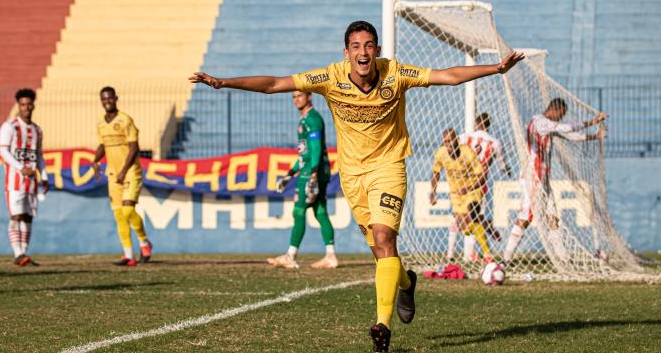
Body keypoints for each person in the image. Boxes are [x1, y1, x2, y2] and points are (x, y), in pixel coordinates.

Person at [190, 20, 524, 352]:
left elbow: (448, 76)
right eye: (356, 46)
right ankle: (407, 283)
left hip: (389, 167)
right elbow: (274, 83)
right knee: (381, 254)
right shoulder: (330, 77)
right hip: (352, 175)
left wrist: (497, 68)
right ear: (346, 53)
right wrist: (223, 83)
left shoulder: (396, 74)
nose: (362, 52)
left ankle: (382, 327)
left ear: (376, 51)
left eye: (368, 46)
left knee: (384, 237)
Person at [503, 98, 606, 265]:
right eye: (561, 114)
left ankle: (564, 258)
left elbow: (570, 135)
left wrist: (594, 136)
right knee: (527, 216)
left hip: (543, 178)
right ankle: (506, 257)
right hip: (533, 177)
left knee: (552, 216)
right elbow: (565, 128)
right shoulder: (540, 122)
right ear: (554, 109)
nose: (561, 118)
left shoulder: (548, 126)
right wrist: (592, 122)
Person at [267, 90, 338, 269]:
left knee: (298, 211)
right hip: (313, 170)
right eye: (294, 96)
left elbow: (315, 151)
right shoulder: (305, 120)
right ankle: (331, 256)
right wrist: (289, 175)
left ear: (309, 97)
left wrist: (313, 174)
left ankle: (290, 256)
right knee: (320, 211)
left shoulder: (312, 119)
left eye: (300, 95)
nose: (296, 99)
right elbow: (304, 156)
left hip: (312, 173)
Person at [92, 86, 152, 266]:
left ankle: (144, 241)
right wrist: (95, 161)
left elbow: (134, 147)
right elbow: (103, 145)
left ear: (116, 98)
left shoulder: (125, 120)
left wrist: (124, 171)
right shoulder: (100, 123)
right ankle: (128, 255)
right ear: (101, 101)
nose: (107, 101)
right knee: (119, 215)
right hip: (113, 175)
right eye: (104, 99)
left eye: (110, 98)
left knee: (128, 211)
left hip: (130, 173)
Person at [0, 88, 49, 266]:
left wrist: (44, 177)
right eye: (22, 104)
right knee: (16, 216)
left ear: (33, 105)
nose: (26, 107)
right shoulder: (9, 126)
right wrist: (21, 168)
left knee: (28, 217)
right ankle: (17, 253)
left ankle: (24, 253)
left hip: (32, 183)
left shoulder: (37, 130)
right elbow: (2, 151)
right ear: (18, 106)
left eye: (29, 104)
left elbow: (39, 155)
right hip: (14, 182)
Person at [429, 128, 492, 265]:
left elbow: (482, 177)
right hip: (456, 194)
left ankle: (487, 255)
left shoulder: (468, 153)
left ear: (457, 140)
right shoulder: (441, 154)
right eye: (445, 141)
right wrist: (433, 192)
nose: (448, 144)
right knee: (464, 224)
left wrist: (468, 188)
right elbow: (436, 172)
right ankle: (472, 253)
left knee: (471, 215)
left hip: (472, 190)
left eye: (451, 140)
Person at [459, 112, 510, 249]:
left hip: (463, 180)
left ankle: (451, 254)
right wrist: (507, 170)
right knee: (476, 215)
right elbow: (503, 165)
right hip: (480, 183)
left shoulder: (465, 137)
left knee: (459, 214)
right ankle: (473, 251)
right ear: (489, 124)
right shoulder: (495, 142)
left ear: (477, 123)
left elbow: (452, 150)